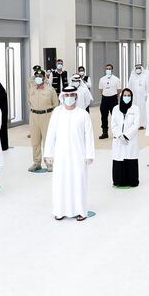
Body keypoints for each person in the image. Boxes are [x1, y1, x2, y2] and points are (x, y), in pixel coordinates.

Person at [44, 86, 95, 221]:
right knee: (61, 182)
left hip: (79, 155)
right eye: (67, 95)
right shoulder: (57, 112)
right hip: (60, 155)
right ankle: (60, 211)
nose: (69, 98)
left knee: (78, 182)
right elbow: (51, 133)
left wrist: (89, 154)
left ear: (76, 97)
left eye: (72, 95)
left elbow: (89, 136)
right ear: (62, 97)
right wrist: (48, 153)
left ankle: (81, 211)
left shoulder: (83, 114)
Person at [27, 69, 59, 172]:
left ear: (44, 77)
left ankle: (49, 163)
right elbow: (29, 102)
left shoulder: (50, 89)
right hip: (34, 116)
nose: (38, 77)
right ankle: (36, 163)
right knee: (35, 141)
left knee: (48, 141)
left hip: (47, 115)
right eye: (36, 75)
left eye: (40, 76)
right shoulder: (31, 89)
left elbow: (56, 104)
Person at [110, 88, 140, 187]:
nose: (126, 97)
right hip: (118, 140)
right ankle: (119, 181)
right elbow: (113, 124)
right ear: (121, 96)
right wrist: (119, 135)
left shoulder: (135, 109)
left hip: (130, 140)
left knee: (130, 158)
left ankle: (132, 181)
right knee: (119, 158)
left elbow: (136, 124)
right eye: (125, 95)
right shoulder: (115, 109)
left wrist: (126, 135)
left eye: (128, 96)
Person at [98, 64, 121, 139]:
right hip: (104, 99)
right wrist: (106, 94)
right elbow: (100, 90)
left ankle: (116, 132)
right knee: (104, 117)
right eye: (107, 69)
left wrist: (112, 95)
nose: (108, 70)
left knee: (115, 116)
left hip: (113, 99)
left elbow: (119, 90)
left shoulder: (116, 79)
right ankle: (105, 133)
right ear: (105, 70)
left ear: (112, 70)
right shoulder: (102, 79)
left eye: (109, 68)